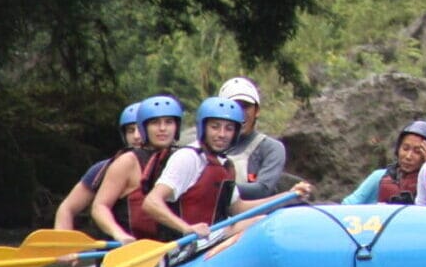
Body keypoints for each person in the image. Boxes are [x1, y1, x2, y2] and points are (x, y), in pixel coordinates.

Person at [133, 96, 309, 243]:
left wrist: (287, 196)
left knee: (264, 221)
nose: (222, 134)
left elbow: (238, 208)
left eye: (229, 128)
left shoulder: (224, 164)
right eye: (215, 127)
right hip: (184, 246)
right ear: (203, 128)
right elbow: (151, 203)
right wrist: (186, 228)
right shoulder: (188, 158)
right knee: (258, 222)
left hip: (211, 239)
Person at [90, 95, 188, 243]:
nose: (162, 128)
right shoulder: (127, 162)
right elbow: (100, 206)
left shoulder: (184, 158)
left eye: (169, 122)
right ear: (144, 128)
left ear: (177, 126)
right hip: (132, 251)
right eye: (155, 123)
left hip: (172, 249)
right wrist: (118, 234)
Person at [55, 101, 145, 232]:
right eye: (131, 131)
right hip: (118, 246)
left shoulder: (174, 163)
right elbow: (67, 209)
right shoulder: (103, 169)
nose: (136, 136)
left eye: (141, 130)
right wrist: (63, 248)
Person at [215, 77, 293, 200]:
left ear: (257, 111)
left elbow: (262, 190)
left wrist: (216, 187)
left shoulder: (271, 148)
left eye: (246, 106)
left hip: (258, 217)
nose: (240, 112)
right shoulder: (207, 148)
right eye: (234, 106)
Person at [342, 121, 426, 204]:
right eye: (405, 148)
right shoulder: (379, 177)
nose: (408, 156)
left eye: (417, 152)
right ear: (398, 149)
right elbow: (347, 205)